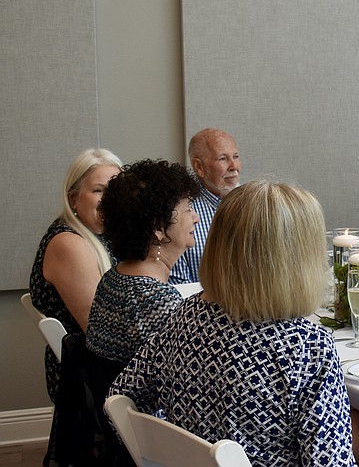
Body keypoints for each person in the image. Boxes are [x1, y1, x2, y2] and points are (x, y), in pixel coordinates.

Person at [109, 181, 357, 466]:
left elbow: (121, 396)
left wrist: (172, 446)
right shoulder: (308, 348)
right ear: (301, 260)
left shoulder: (184, 315)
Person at [86, 159, 200, 377]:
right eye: (188, 209)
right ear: (158, 228)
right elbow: (187, 380)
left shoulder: (113, 278)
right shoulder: (156, 302)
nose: (196, 218)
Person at [29, 148, 122, 402]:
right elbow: (101, 332)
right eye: (99, 190)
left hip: (104, 363)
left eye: (116, 190)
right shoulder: (69, 243)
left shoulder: (106, 236)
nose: (109, 199)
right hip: (86, 374)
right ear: (73, 198)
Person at [170, 127, 241, 284]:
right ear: (199, 167)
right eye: (223, 159)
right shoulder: (182, 213)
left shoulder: (253, 203)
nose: (233, 166)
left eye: (236, 157)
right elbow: (180, 285)